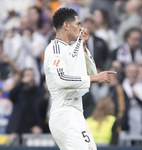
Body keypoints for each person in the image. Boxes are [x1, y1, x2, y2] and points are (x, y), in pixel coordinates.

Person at [44, 8, 116, 150]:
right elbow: (61, 79)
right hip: (64, 113)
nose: (82, 27)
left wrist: (83, 47)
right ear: (66, 25)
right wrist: (95, 78)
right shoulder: (55, 49)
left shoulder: (73, 48)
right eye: (78, 24)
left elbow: (91, 73)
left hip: (75, 113)